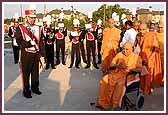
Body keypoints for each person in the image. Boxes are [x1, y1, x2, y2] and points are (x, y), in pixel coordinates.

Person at [97, 42, 142, 110]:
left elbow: (139, 69)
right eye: (123, 49)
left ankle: (116, 104)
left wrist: (130, 69)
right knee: (104, 80)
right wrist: (118, 65)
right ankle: (102, 102)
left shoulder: (136, 57)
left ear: (131, 49)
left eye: (127, 49)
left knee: (120, 84)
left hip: (129, 75)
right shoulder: (119, 54)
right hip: (116, 74)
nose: (124, 51)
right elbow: (112, 64)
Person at [15, 5, 45, 98]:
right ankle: (26, 90)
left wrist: (43, 54)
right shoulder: (20, 28)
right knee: (26, 72)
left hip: (35, 53)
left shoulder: (39, 28)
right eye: (31, 18)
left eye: (34, 18)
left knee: (35, 72)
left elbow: (41, 42)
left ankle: (35, 88)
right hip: (26, 54)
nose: (33, 20)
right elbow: (19, 42)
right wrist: (29, 43)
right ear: (27, 18)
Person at [138, 24, 162, 95]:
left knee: (149, 75)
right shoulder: (138, 36)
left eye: (143, 30)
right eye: (140, 30)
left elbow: (156, 49)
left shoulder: (152, 36)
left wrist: (149, 59)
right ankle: (143, 88)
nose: (142, 31)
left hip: (150, 57)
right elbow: (137, 46)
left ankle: (147, 89)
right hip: (142, 57)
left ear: (147, 29)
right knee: (142, 74)